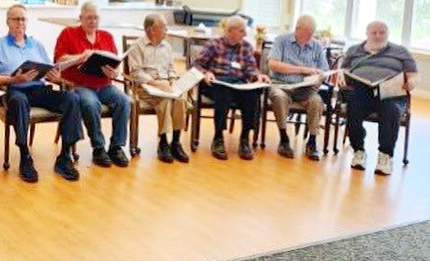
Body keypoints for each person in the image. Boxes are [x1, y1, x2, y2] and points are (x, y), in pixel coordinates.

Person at [0, 4, 81, 182]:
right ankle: (25, 156)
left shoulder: (36, 45)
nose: (20, 22)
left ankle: (65, 155)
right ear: (8, 22)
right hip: (14, 90)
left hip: (39, 89)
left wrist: (55, 77)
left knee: (73, 98)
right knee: (19, 102)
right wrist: (14, 80)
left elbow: (49, 72)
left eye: (23, 19)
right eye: (16, 19)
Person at [54, 2, 131, 168]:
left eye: (96, 18)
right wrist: (80, 56)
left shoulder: (107, 36)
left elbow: (115, 64)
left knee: (124, 101)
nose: (93, 21)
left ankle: (116, 147)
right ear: (80, 18)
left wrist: (114, 73)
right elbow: (58, 61)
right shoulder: (68, 33)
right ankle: (98, 148)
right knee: (90, 104)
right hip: (79, 84)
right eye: (89, 18)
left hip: (104, 84)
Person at [340, 20, 419, 176]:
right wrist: (342, 78)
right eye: (373, 33)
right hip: (361, 91)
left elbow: (413, 75)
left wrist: (411, 82)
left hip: (390, 94)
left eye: (382, 32)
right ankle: (359, 151)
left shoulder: (400, 51)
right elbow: (343, 70)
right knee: (353, 107)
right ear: (367, 34)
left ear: (388, 33)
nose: (377, 36)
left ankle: (385, 155)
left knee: (391, 110)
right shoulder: (354, 50)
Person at [195, 16, 270, 160]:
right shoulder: (213, 44)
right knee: (223, 93)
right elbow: (197, 65)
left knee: (253, 93)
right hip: (216, 83)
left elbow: (251, 69)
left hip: (238, 83)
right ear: (230, 31)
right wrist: (207, 73)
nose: (245, 34)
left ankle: (245, 138)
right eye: (242, 31)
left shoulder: (246, 46)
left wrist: (258, 76)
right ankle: (218, 138)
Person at [127, 13, 189, 164]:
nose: (166, 30)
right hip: (146, 87)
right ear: (152, 30)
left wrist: (173, 80)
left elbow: (171, 69)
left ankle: (175, 142)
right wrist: (155, 83)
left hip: (166, 84)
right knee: (166, 99)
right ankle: (163, 142)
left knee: (180, 97)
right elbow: (136, 73)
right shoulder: (137, 46)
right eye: (163, 27)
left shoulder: (166, 46)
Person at [267, 15, 330, 161]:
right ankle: (284, 139)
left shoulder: (317, 46)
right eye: (307, 33)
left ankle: (312, 142)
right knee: (278, 97)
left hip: (306, 89)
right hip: (282, 85)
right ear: (297, 29)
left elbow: (324, 70)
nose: (310, 37)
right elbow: (273, 64)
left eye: (312, 33)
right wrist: (303, 70)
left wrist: (320, 76)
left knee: (317, 101)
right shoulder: (282, 40)